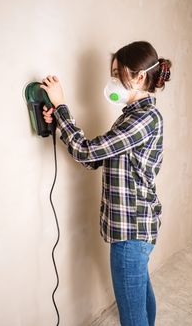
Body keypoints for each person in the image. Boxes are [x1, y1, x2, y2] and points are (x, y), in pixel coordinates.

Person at [41, 41, 172, 326]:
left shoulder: (143, 119)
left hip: (131, 233)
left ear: (139, 77)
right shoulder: (131, 118)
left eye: (117, 74)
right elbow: (93, 160)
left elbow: (86, 151)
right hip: (134, 229)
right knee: (142, 302)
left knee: (133, 316)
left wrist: (61, 106)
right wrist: (58, 123)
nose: (112, 82)